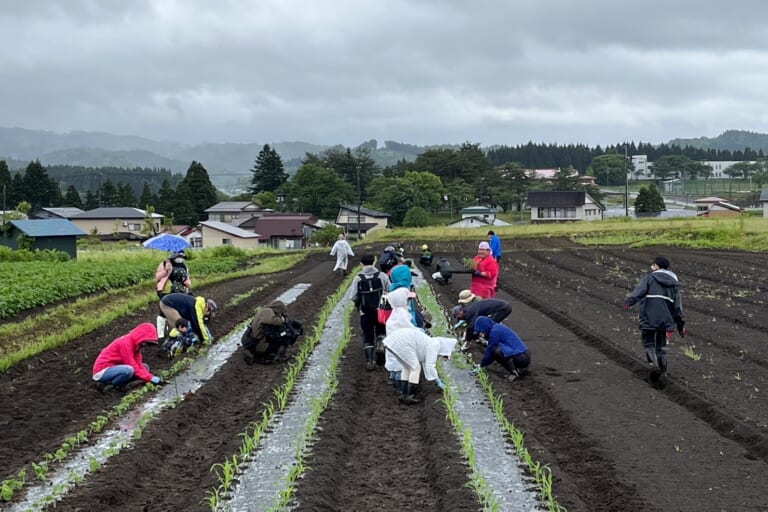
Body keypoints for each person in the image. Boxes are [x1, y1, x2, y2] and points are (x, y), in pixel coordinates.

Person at [623, 256, 685, 378]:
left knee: (648, 343)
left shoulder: (649, 278)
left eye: (653, 265)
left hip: (649, 317)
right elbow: (678, 307)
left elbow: (638, 292)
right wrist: (680, 325)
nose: (651, 267)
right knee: (661, 346)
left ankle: (653, 365)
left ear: (656, 266)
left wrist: (628, 302)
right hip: (665, 320)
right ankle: (663, 372)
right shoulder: (674, 284)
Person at [92, 323, 164, 391]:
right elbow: (131, 364)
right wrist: (150, 378)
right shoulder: (126, 343)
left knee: (145, 367)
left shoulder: (136, 346)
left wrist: (149, 376)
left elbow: (138, 364)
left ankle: (125, 383)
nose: (145, 345)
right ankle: (112, 385)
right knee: (128, 370)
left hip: (117, 368)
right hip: (103, 371)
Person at [383, 327, 445, 404]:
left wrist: (435, 378)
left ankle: (404, 395)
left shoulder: (430, 341)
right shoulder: (434, 345)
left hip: (393, 340)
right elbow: (430, 366)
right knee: (415, 368)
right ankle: (410, 396)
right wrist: (437, 380)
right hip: (402, 341)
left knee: (406, 367)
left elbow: (426, 364)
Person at [351, 254, 391, 370]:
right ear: (374, 262)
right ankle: (380, 347)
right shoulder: (382, 276)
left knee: (368, 336)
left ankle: (370, 361)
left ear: (361, 264)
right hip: (381, 311)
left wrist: (359, 304)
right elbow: (388, 291)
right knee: (381, 331)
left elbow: (352, 296)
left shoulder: (358, 278)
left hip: (365, 312)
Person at [241, 300, 304, 364]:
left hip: (255, 343)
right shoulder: (267, 311)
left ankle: (257, 356)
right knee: (285, 336)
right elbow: (273, 321)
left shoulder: (263, 312)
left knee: (279, 336)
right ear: (277, 309)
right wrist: (283, 320)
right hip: (259, 344)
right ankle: (279, 357)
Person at [470, 316, 530, 382]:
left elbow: (490, 350)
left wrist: (482, 365)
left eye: (481, 332)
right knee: (497, 351)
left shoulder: (495, 332)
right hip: (522, 354)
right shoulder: (497, 327)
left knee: (497, 351)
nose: (481, 334)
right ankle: (517, 369)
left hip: (522, 357)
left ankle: (514, 373)